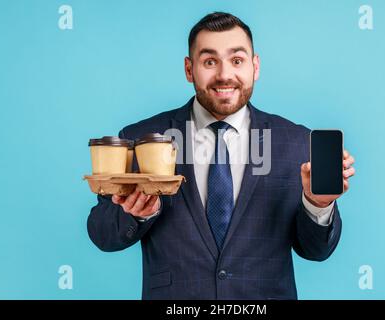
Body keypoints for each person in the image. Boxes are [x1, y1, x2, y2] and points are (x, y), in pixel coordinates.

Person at [87, 12, 356, 300]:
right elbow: (102, 234)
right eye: (210, 61)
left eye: (237, 60)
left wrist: (318, 205)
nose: (224, 75)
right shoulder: (142, 137)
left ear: (255, 67)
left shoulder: (296, 142)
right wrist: (136, 215)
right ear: (189, 69)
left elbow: (315, 251)